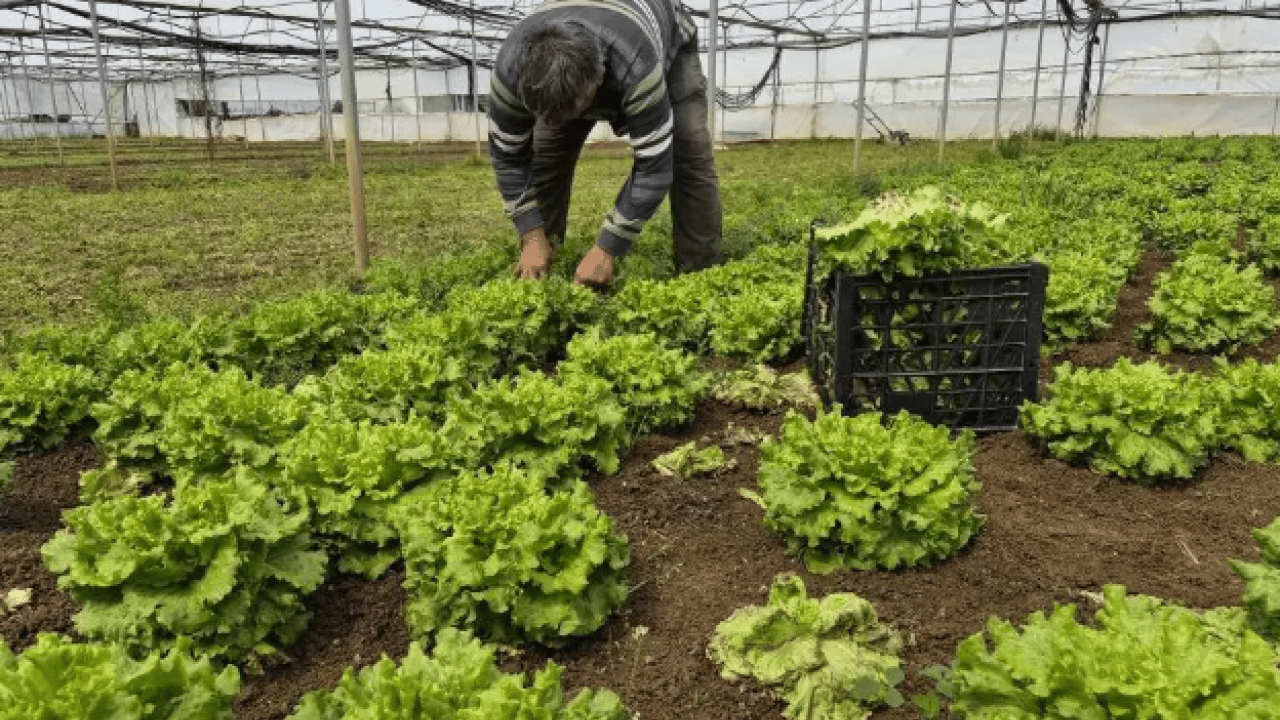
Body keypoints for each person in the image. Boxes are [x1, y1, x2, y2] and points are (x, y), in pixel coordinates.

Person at [487, 0, 723, 287]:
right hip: (591, 43)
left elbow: (654, 168)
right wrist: (531, 233)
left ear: (599, 77)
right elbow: (508, 158)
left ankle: (700, 274)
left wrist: (608, 248)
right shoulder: (509, 72)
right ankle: (541, 265)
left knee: (688, 154)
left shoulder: (635, 64)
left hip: (664, 33)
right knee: (546, 157)